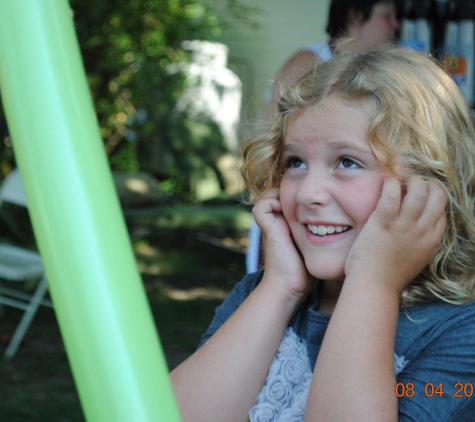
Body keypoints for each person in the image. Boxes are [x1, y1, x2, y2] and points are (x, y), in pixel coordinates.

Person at [170, 44, 475, 421]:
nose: (309, 193)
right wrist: (282, 287)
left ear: (429, 184)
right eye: (295, 162)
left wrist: (372, 284)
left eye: (347, 162)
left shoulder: (462, 332)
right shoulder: (259, 296)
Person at [246, 0, 402, 274]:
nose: (395, 25)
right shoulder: (310, 62)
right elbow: (271, 142)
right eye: (387, 16)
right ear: (355, 15)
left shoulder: (383, 75)